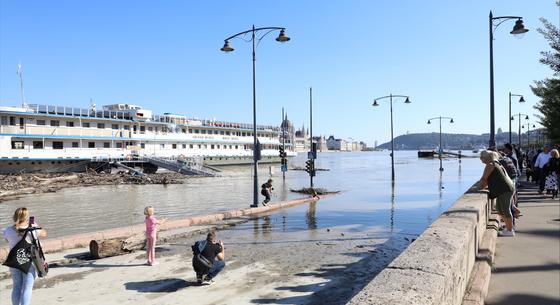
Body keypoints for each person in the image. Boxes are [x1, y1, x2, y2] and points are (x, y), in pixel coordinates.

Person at [3, 207, 47, 305]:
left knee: (16, 287)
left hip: (14, 262)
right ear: (27, 217)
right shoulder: (32, 228)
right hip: (29, 263)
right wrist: (35, 224)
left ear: (14, 216)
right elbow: (44, 233)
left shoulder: (8, 230)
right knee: (27, 288)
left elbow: (7, 240)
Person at [476, 150, 516, 236]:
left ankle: (510, 230)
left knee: (505, 210)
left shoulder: (490, 165)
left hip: (505, 189)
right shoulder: (495, 163)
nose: (480, 159)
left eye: (482, 157)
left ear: (487, 158)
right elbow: (487, 180)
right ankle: (508, 228)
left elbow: (484, 179)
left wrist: (476, 189)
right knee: (499, 209)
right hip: (504, 189)